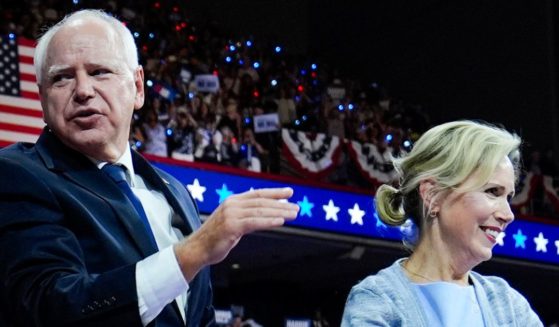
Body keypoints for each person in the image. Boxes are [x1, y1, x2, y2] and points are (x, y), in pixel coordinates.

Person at [0, 9, 299, 327]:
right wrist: (193, 251)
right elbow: (49, 307)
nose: (83, 90)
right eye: (62, 77)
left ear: (138, 87)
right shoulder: (17, 174)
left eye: (100, 71)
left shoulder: (175, 191)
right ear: (44, 101)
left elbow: (199, 316)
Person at [342, 121, 543, 326]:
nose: (508, 215)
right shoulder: (378, 301)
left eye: (508, 197)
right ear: (433, 195)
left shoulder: (509, 306)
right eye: (492, 192)